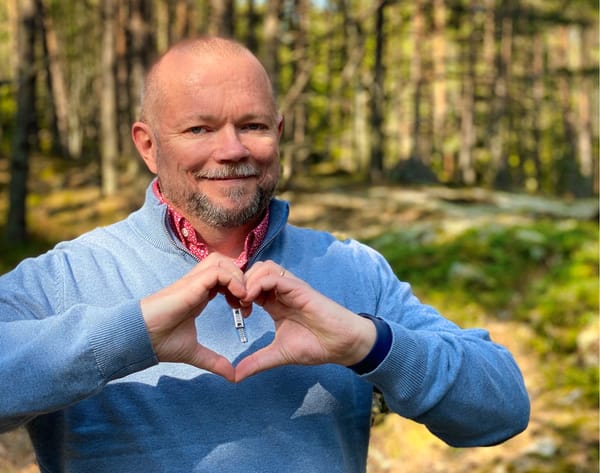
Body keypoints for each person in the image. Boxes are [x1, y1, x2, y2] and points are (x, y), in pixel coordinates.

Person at [0, 36, 529, 473]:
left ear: (278, 133)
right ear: (147, 144)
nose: (231, 150)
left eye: (251, 125)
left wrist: (369, 344)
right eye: (199, 129)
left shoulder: (351, 269)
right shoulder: (65, 276)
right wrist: (127, 335)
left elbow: (501, 409)